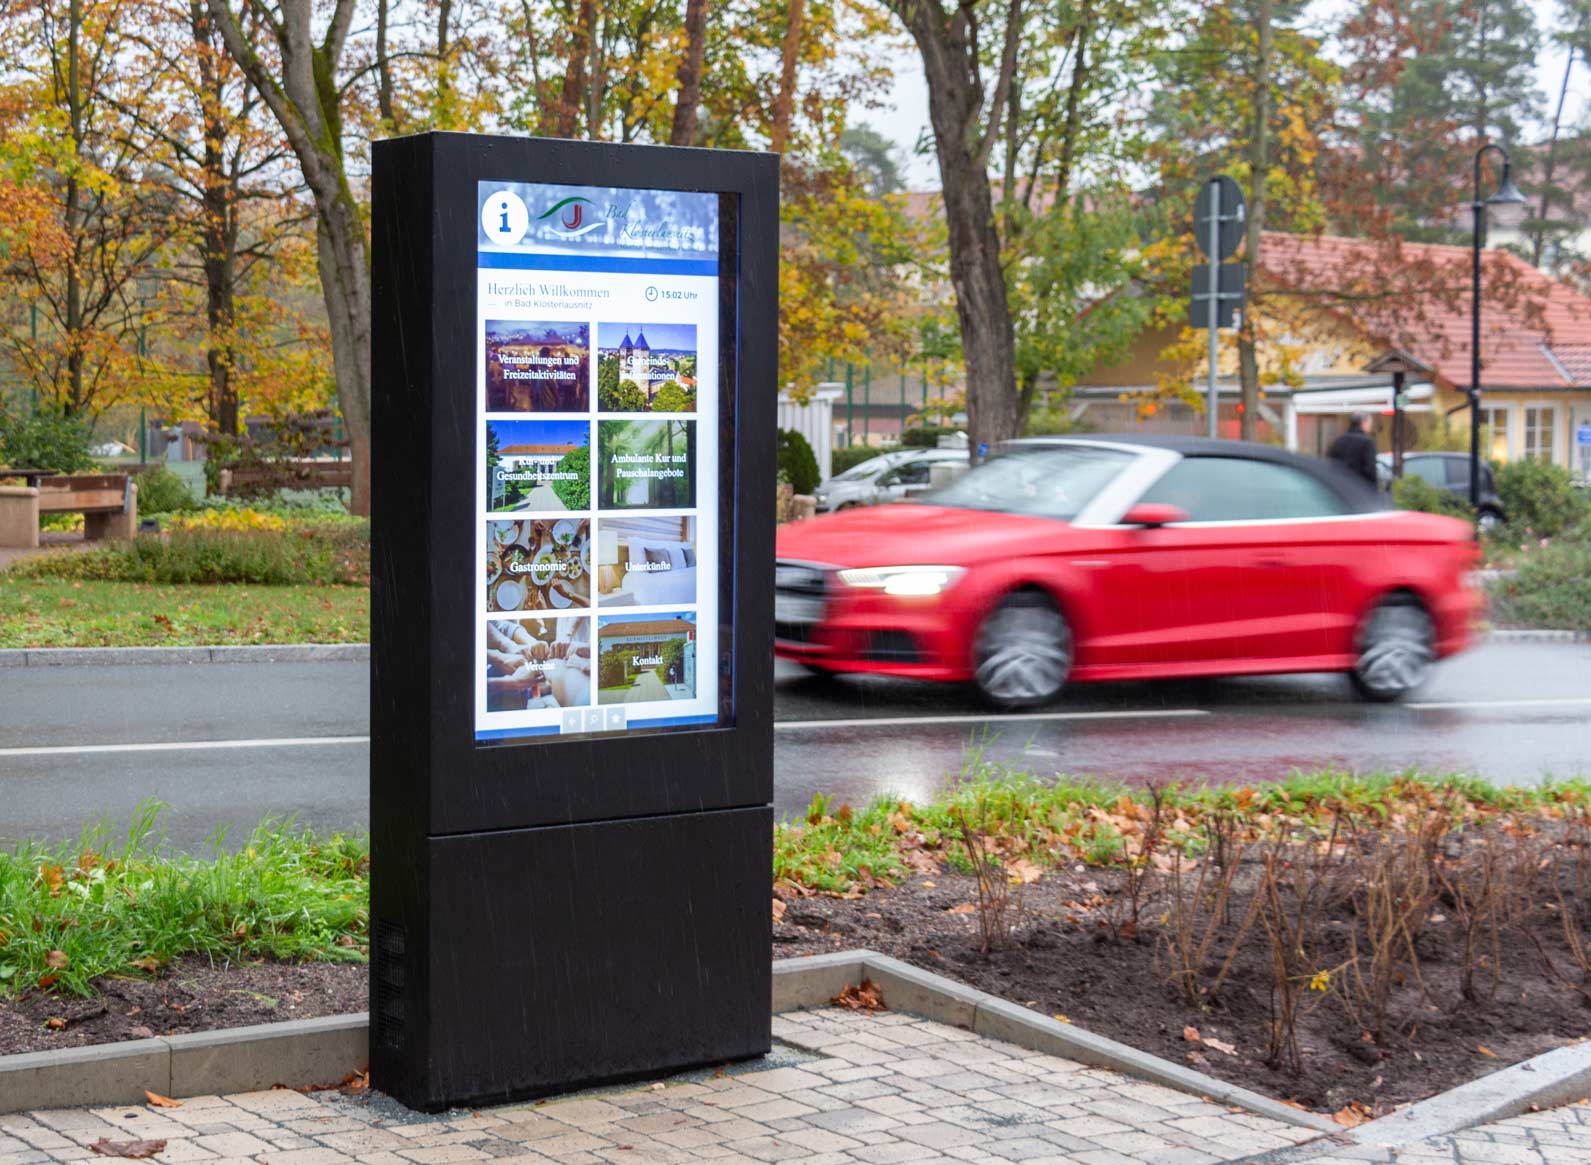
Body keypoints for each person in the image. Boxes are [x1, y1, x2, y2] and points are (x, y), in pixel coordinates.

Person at [1327, 412, 1378, 488]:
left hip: (1340, 488)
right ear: (1363, 423)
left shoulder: (1339, 441)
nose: (1370, 426)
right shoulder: (1367, 442)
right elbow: (1370, 470)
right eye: (1370, 423)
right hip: (1360, 488)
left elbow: (1330, 463)